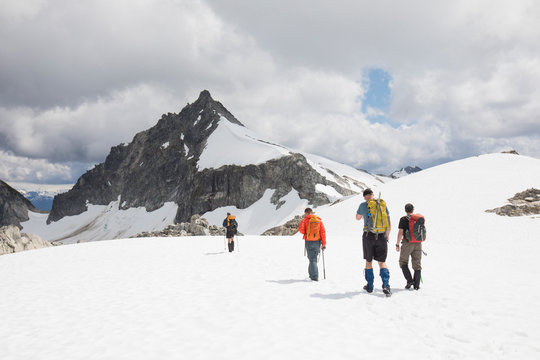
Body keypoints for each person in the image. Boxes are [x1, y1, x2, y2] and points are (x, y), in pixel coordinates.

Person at [355, 188, 392, 296]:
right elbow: (388, 222)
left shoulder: (363, 205)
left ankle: (370, 286)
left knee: (368, 261)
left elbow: (357, 218)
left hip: (368, 236)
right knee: (382, 262)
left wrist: (363, 215)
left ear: (365, 196)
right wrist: (387, 236)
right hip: (381, 236)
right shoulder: (381, 204)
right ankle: (386, 285)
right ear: (372, 194)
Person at [396, 203, 422, 290]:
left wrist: (397, 243)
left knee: (403, 262)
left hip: (407, 243)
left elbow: (400, 232)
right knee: (417, 264)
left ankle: (409, 280)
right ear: (413, 210)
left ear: (405, 210)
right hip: (418, 243)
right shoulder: (417, 219)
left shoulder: (403, 219)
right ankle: (416, 285)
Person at [298, 208, 326, 281]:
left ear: (306, 213)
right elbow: (322, 232)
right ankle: (311, 275)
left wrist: (306, 232)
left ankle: (314, 277)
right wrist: (324, 243)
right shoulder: (318, 220)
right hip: (317, 242)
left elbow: (301, 230)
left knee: (312, 259)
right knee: (313, 258)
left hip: (309, 241)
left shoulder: (305, 220)